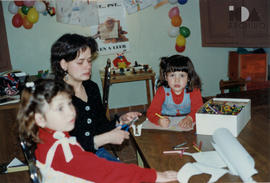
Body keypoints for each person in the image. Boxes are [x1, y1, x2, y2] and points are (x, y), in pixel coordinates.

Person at [17, 79, 178, 183]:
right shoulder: (62, 151)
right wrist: (155, 176)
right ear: (40, 119)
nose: (70, 112)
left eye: (69, 103)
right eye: (60, 108)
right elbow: (106, 172)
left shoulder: (47, 135)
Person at [50, 33, 141, 161]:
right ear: (64, 64)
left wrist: (120, 121)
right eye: (80, 62)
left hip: (95, 153)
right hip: (71, 161)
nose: (88, 66)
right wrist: (107, 138)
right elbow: (64, 147)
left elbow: (99, 125)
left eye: (89, 60)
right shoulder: (56, 97)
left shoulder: (91, 87)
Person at [147, 55, 203, 129]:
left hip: (187, 127)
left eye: (182, 75)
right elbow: (151, 112)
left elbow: (199, 110)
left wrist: (190, 118)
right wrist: (158, 120)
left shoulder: (194, 90)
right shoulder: (162, 91)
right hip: (166, 127)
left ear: (189, 77)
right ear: (165, 77)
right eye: (172, 75)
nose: (177, 80)